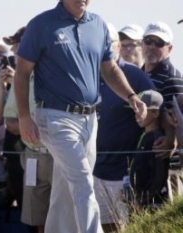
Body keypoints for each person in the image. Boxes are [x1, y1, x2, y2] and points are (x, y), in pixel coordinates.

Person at [13, 1, 147, 233]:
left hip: (90, 119)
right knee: (83, 181)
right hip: (55, 117)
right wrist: (24, 116)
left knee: (66, 189)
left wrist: (131, 96)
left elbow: (111, 69)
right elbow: (22, 72)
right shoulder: (41, 24)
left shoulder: (98, 24)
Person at [93, 23, 155, 233]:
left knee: (125, 227)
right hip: (93, 168)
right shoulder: (88, 74)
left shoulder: (135, 76)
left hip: (124, 170)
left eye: (109, 44)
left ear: (118, 46)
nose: (104, 48)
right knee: (102, 227)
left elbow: (156, 111)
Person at [0, 26, 53, 233]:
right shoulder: (22, 78)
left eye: (19, 47)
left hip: (59, 157)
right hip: (32, 157)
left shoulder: (57, 76)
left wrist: (38, 126)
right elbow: (8, 122)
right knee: (37, 218)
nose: (15, 53)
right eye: (15, 48)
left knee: (63, 217)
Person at [141, 21, 183, 196]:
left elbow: (178, 120)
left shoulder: (172, 78)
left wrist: (171, 141)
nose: (152, 46)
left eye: (158, 43)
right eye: (148, 40)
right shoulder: (141, 73)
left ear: (169, 48)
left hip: (167, 163)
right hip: (148, 155)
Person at [131, 90, 169, 207]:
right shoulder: (145, 135)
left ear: (155, 113)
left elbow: (159, 174)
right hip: (141, 201)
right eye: (135, 110)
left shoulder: (157, 140)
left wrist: (143, 199)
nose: (137, 114)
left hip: (153, 204)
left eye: (141, 110)